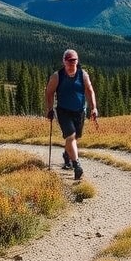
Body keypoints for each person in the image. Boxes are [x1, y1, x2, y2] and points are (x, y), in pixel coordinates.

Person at [45, 49, 98, 180]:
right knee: (71, 136)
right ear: (64, 62)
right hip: (63, 111)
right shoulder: (57, 76)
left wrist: (94, 108)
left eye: (73, 62)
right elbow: (49, 92)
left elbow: (90, 91)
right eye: (68, 62)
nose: (71, 65)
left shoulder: (83, 75)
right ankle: (77, 165)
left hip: (80, 111)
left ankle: (67, 155)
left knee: (76, 137)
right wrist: (49, 108)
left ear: (77, 62)